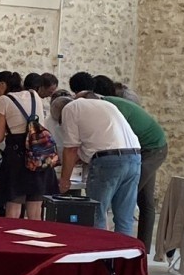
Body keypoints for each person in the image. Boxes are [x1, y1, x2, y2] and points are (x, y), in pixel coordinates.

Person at [78, 72, 167, 249]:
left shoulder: (111, 107)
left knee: (124, 198)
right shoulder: (112, 104)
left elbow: (115, 137)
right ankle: (139, 247)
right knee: (144, 199)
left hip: (150, 149)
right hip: (147, 148)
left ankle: (125, 246)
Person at [55, 93, 142, 237]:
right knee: (124, 217)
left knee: (96, 214)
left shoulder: (70, 109)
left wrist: (64, 180)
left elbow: (71, 149)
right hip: (134, 156)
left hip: (107, 160)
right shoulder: (105, 105)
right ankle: (122, 257)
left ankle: (99, 255)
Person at [0, 71, 53, 220]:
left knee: (14, 206)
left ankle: (11, 240)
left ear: (2, 84)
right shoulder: (34, 95)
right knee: (35, 209)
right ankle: (35, 240)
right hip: (38, 153)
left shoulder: (3, 100)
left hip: (17, 156)